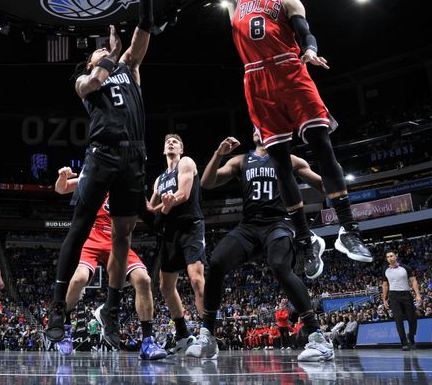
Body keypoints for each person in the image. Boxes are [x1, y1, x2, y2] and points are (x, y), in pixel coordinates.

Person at [154, 0, 372, 277]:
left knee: (322, 145)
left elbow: (304, 31)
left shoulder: (286, 0)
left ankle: (349, 229)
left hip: (291, 70)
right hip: (255, 79)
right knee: (281, 163)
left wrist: (311, 51)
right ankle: (304, 237)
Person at [44, 0, 155, 351]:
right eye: (95, 53)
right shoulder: (84, 82)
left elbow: (145, 29)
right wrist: (109, 54)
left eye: (103, 51)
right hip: (102, 154)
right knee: (79, 223)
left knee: (125, 234)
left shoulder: (131, 68)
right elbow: (94, 79)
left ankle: (110, 309)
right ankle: (58, 309)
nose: (100, 52)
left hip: (135, 157)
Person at [187, 131, 332, 362]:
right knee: (215, 263)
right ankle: (208, 336)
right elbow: (207, 182)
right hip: (249, 226)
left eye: (261, 125)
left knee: (279, 266)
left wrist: (332, 169)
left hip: (279, 223)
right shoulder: (240, 160)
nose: (257, 128)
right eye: (254, 125)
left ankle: (317, 336)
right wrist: (218, 154)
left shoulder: (289, 158)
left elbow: (323, 185)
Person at [53, 166, 166, 359]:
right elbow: (61, 189)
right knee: (79, 278)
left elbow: (147, 212)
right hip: (91, 236)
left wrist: (164, 205)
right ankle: (64, 326)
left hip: (117, 238)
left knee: (144, 280)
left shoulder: (129, 182)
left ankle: (148, 342)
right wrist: (62, 177)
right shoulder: (97, 174)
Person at [148, 134, 205, 355]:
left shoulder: (186, 163)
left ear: (181, 148)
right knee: (165, 286)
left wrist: (164, 206)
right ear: (163, 150)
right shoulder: (159, 180)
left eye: (175, 142)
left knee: (196, 279)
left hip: (190, 226)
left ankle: (207, 333)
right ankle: (183, 335)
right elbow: (150, 208)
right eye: (167, 142)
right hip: (169, 232)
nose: (170, 143)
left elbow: (183, 194)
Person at [382, 251, 422, 350]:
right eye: (387, 257)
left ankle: (411, 336)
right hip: (393, 296)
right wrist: (384, 299)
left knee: (412, 319)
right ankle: (404, 343)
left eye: (391, 256)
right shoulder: (385, 270)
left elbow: (413, 281)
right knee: (398, 320)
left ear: (396, 256)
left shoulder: (405, 268)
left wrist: (417, 294)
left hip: (406, 294)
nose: (389, 258)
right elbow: (385, 285)